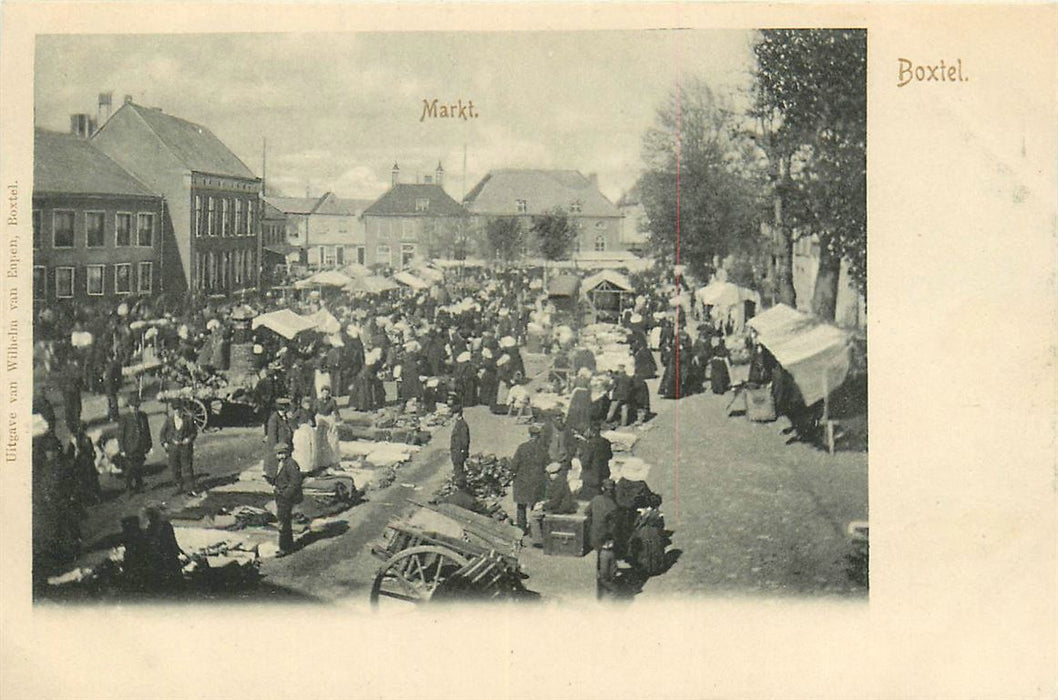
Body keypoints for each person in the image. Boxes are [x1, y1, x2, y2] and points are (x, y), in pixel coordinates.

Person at [510, 424, 548, 532]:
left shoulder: (522, 447)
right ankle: (534, 529)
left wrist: (513, 473)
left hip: (522, 482)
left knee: (521, 507)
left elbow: (514, 465)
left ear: (529, 435)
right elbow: (548, 465)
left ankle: (521, 529)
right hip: (537, 482)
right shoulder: (543, 449)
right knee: (535, 506)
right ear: (539, 436)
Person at [140, 504, 184, 593]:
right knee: (172, 568)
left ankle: (162, 586)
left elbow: (150, 540)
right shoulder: (165, 525)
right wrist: (177, 548)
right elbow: (172, 539)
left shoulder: (152, 527)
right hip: (168, 551)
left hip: (160, 552)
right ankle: (177, 586)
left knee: (160, 569)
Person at [159, 402, 197, 495]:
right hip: (173, 448)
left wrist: (188, 439)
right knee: (175, 468)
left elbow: (194, 432)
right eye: (175, 410)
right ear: (173, 410)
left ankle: (190, 489)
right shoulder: (169, 420)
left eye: (179, 409)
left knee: (187, 467)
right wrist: (165, 443)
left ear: (182, 409)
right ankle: (178, 487)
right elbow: (162, 434)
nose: (178, 412)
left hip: (185, 447)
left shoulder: (188, 419)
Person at [117, 393, 152, 496]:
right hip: (129, 448)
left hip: (140, 446)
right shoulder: (124, 419)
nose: (135, 409)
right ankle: (128, 487)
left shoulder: (143, 416)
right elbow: (120, 435)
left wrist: (149, 445)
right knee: (129, 469)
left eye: (137, 406)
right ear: (129, 407)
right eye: (133, 407)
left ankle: (139, 485)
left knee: (139, 467)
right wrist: (122, 449)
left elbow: (147, 431)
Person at [273, 442, 303, 557]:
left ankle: (284, 548)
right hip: (280, 496)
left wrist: (286, 494)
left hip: (286, 497)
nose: (280, 456)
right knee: (284, 521)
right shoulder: (282, 463)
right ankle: (288, 545)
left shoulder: (290, 464)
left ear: (287, 453)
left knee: (283, 522)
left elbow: (295, 482)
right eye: (278, 454)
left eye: (282, 453)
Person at [68, 421, 102, 506]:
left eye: (83, 429)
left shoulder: (87, 438)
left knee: (91, 480)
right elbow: (71, 453)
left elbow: (91, 450)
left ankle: (94, 497)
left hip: (88, 462)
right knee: (84, 481)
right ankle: (88, 498)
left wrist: (92, 454)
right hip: (81, 463)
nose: (82, 431)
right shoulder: (75, 440)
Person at [576, 422, 612, 499]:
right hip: (604, 471)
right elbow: (610, 456)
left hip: (592, 474)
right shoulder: (606, 442)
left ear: (591, 432)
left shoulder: (590, 444)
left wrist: (580, 456)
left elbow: (586, 462)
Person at [264, 398, 295, 483]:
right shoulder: (274, 419)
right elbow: (272, 436)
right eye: (285, 408)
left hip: (285, 445)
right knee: (275, 466)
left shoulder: (285, 417)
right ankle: (274, 479)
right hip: (278, 447)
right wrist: (277, 449)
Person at [449, 404, 470, 487]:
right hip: (456, 451)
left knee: (458, 470)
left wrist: (462, 451)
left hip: (458, 452)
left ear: (458, 414)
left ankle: (460, 487)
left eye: (453, 414)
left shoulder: (462, 425)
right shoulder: (459, 423)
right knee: (457, 469)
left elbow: (465, 440)